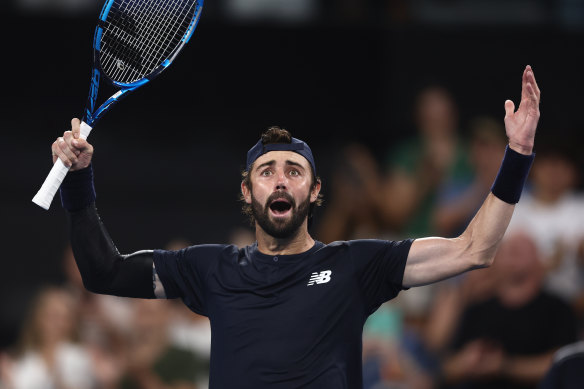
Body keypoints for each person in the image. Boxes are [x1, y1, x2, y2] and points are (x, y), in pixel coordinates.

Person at [49, 65, 540, 388]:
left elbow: (475, 248)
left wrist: (517, 155)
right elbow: (103, 273)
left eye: (293, 172)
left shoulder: (357, 264)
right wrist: (77, 181)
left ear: (315, 191)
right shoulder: (208, 267)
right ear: (248, 192)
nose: (280, 181)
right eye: (267, 172)